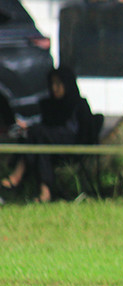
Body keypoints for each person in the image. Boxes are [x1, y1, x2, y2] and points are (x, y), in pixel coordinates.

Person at [1, 67, 94, 203]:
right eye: (52, 84)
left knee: (37, 134)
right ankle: (45, 191)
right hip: (48, 144)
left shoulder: (79, 104)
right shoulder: (49, 104)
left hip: (71, 144)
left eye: (58, 84)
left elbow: (83, 134)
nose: (54, 88)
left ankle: (17, 176)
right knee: (39, 143)